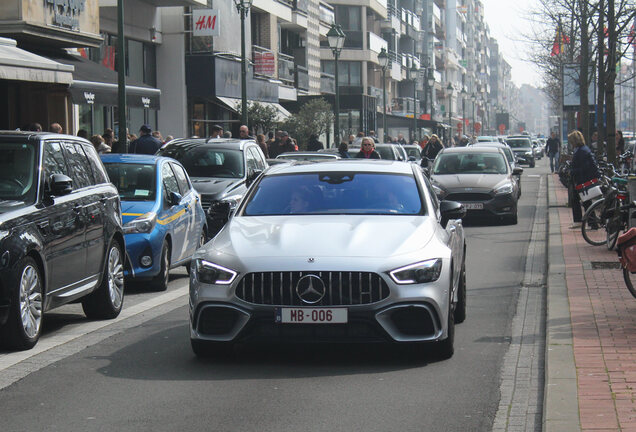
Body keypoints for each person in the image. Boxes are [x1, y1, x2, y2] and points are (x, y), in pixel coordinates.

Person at [569, 129, 600, 229]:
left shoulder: (581, 151)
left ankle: (589, 222)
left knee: (583, 200)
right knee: (584, 201)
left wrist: (573, 171)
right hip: (582, 179)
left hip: (582, 180)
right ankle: (590, 222)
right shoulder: (583, 149)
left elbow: (584, 167)